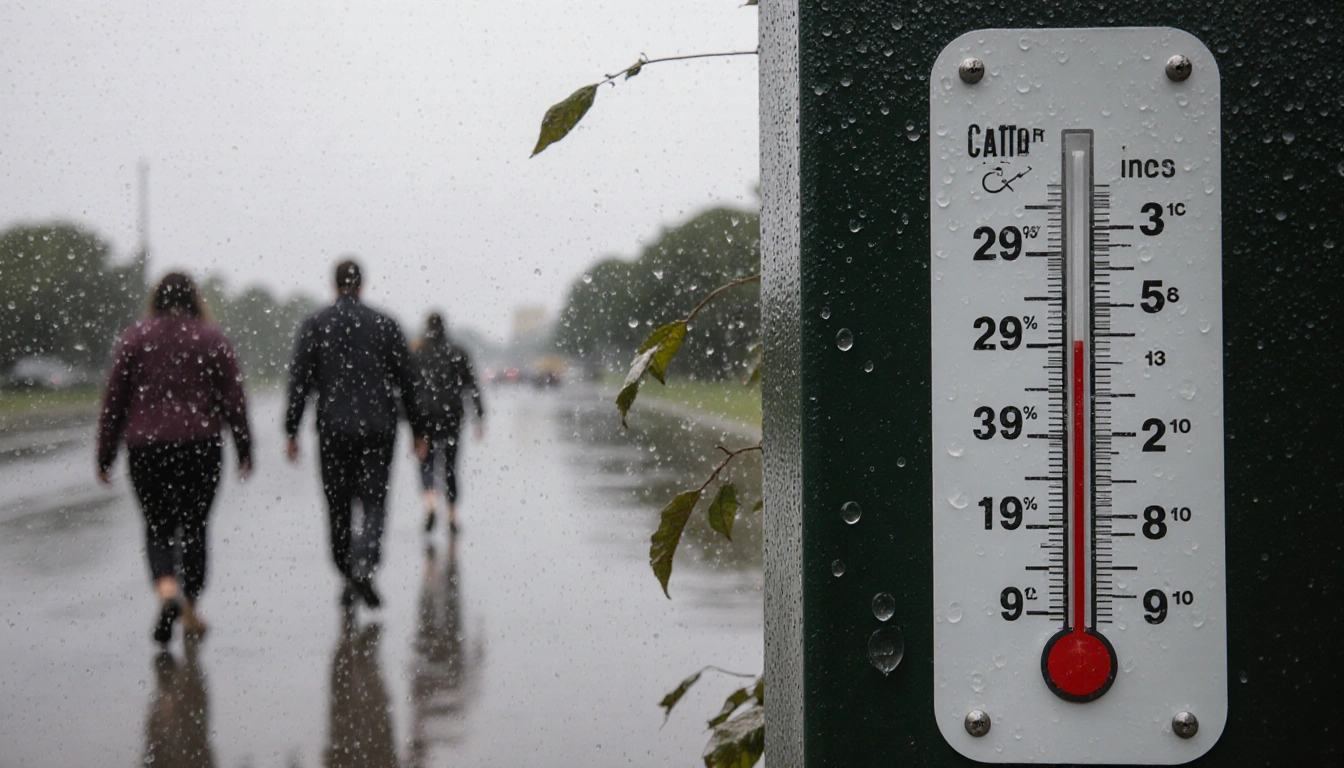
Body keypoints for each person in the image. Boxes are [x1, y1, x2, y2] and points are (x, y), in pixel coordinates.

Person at [97, 272, 252, 646]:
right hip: (201, 444)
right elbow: (234, 397)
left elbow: (114, 399)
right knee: (195, 526)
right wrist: (245, 447)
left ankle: (167, 591)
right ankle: (191, 609)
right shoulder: (212, 338)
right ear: (195, 300)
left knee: (157, 524)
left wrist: (105, 454)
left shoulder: (135, 338)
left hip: (146, 446)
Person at [286, 259, 427, 610]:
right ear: (362, 285)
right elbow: (409, 380)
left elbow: (299, 381)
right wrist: (419, 430)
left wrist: (291, 429)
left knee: (338, 506)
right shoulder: (386, 324)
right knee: (375, 501)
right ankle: (365, 561)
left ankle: (348, 570)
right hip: (379, 426)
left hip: (333, 429)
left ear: (334, 286)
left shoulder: (315, 325)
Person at [413, 313, 484, 535]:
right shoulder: (458, 352)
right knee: (451, 467)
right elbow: (472, 386)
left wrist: (410, 421)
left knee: (426, 464)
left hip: (425, 418)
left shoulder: (418, 353)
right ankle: (452, 514)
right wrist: (479, 417)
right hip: (452, 416)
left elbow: (409, 389)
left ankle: (431, 504)